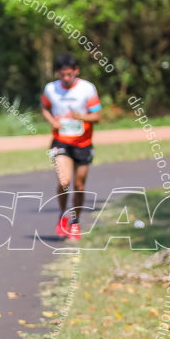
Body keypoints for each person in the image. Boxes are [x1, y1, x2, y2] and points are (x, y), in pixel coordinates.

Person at [41, 52, 102, 240]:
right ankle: (62, 215)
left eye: (69, 74)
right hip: (61, 142)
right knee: (64, 181)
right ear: (58, 73)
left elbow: (97, 117)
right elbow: (44, 107)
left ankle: (75, 222)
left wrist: (80, 116)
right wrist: (52, 121)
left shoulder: (87, 89)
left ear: (76, 71)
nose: (66, 78)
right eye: (62, 75)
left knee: (79, 186)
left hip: (83, 143)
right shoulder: (51, 89)